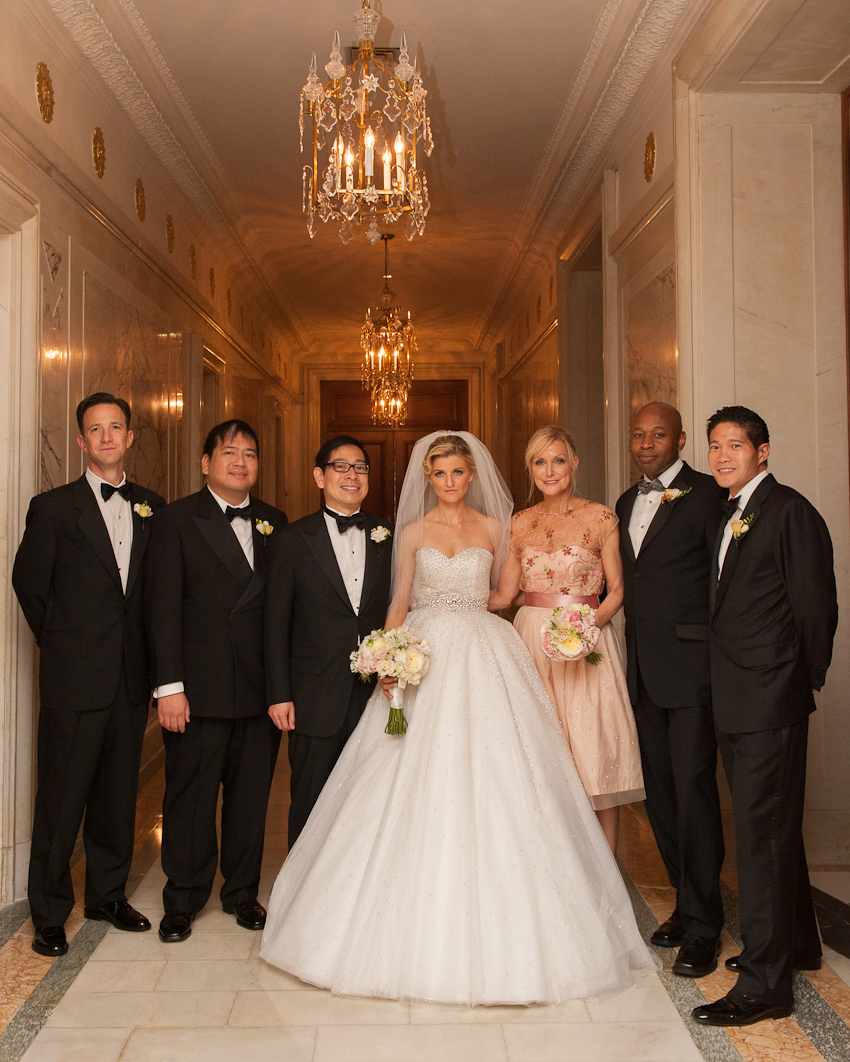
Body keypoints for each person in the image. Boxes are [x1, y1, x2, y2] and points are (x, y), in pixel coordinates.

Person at [260, 432, 657, 1006]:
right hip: (425, 650)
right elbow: (399, 598)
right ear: (429, 478)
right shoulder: (412, 534)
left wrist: (547, 617)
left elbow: (506, 595)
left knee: (502, 771)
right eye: (439, 474)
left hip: (484, 649)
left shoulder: (500, 530)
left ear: (473, 476)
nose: (449, 482)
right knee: (406, 771)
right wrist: (387, 654)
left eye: (458, 473)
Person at [692, 406, 837, 1027]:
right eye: (715, 446)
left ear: (764, 451)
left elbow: (816, 611)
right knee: (771, 829)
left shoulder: (790, 512)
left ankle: (765, 985)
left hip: (769, 698)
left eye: (735, 446)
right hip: (736, 695)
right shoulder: (731, 511)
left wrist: (796, 684)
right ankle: (795, 944)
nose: (723, 456)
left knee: (761, 837)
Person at [12, 392, 165, 956]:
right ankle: (49, 912)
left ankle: (106, 895)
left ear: (129, 438)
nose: (106, 437)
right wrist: (64, 645)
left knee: (117, 796)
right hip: (73, 680)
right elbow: (29, 585)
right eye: (94, 429)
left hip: (129, 681)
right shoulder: (53, 508)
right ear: (81, 441)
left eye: (115, 427)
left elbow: (154, 594)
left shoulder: (154, 507)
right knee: (60, 800)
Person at [146, 420, 286, 943]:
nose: (241, 462)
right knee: (191, 798)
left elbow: (279, 612)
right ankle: (181, 899)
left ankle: (241, 893)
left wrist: (281, 688)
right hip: (196, 691)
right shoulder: (176, 520)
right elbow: (160, 609)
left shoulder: (275, 521)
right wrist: (169, 687)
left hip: (257, 690)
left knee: (251, 799)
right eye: (230, 452)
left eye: (250, 453)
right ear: (206, 462)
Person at [491, 426, 643, 854]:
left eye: (558, 460)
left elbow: (616, 589)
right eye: (540, 462)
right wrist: (442, 604)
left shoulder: (599, 517)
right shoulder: (520, 523)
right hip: (531, 642)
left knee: (593, 747)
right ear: (530, 469)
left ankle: (604, 868)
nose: (549, 470)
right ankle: (552, 863)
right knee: (541, 747)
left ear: (574, 463)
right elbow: (504, 595)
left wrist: (586, 628)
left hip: (587, 638)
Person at [615, 403, 726, 978]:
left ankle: (706, 926)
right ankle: (686, 906)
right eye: (639, 434)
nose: (647, 443)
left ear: (679, 439)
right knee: (658, 794)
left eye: (658, 434)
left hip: (692, 670)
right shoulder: (624, 502)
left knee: (694, 793)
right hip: (642, 673)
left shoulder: (708, 495)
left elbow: (723, 576)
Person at [265, 435, 393, 847]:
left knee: (373, 802)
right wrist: (279, 693)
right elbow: (275, 622)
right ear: (320, 476)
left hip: (377, 695)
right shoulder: (291, 540)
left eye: (360, 467)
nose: (352, 475)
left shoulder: (389, 537)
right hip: (313, 694)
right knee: (310, 801)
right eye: (341, 466)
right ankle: (303, 899)